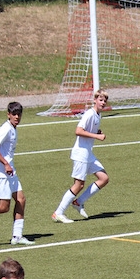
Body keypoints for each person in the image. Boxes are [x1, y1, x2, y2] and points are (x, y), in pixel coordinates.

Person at [53, 89, 110, 223]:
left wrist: (96, 132)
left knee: (104, 178)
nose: (103, 103)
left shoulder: (97, 115)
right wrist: (96, 136)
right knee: (78, 185)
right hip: (81, 154)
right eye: (100, 100)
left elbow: (88, 131)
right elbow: (78, 131)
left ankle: (78, 202)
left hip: (88, 154)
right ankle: (58, 213)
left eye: (105, 101)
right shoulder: (89, 114)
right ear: (95, 100)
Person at [0, 101, 32, 245]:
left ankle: (17, 236)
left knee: (21, 199)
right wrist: (5, 164)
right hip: (2, 172)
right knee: (3, 207)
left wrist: (9, 165)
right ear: (8, 115)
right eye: (14, 114)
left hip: (10, 171)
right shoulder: (6, 128)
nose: (17, 117)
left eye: (19, 114)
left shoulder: (13, 128)